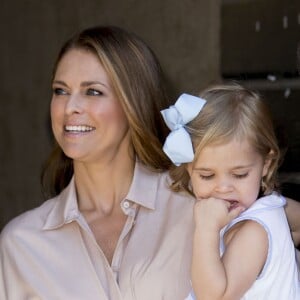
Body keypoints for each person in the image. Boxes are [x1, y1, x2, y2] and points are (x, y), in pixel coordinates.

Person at [0, 26, 299, 300]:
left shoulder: (204, 199)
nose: (70, 107)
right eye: (60, 91)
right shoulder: (20, 244)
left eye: (92, 91)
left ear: (134, 101)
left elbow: (281, 224)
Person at [160, 84, 300, 299]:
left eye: (239, 174)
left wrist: (206, 230)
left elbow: (214, 296)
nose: (223, 188)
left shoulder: (253, 231)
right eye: (206, 176)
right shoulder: (272, 207)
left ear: (267, 164)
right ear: (189, 169)